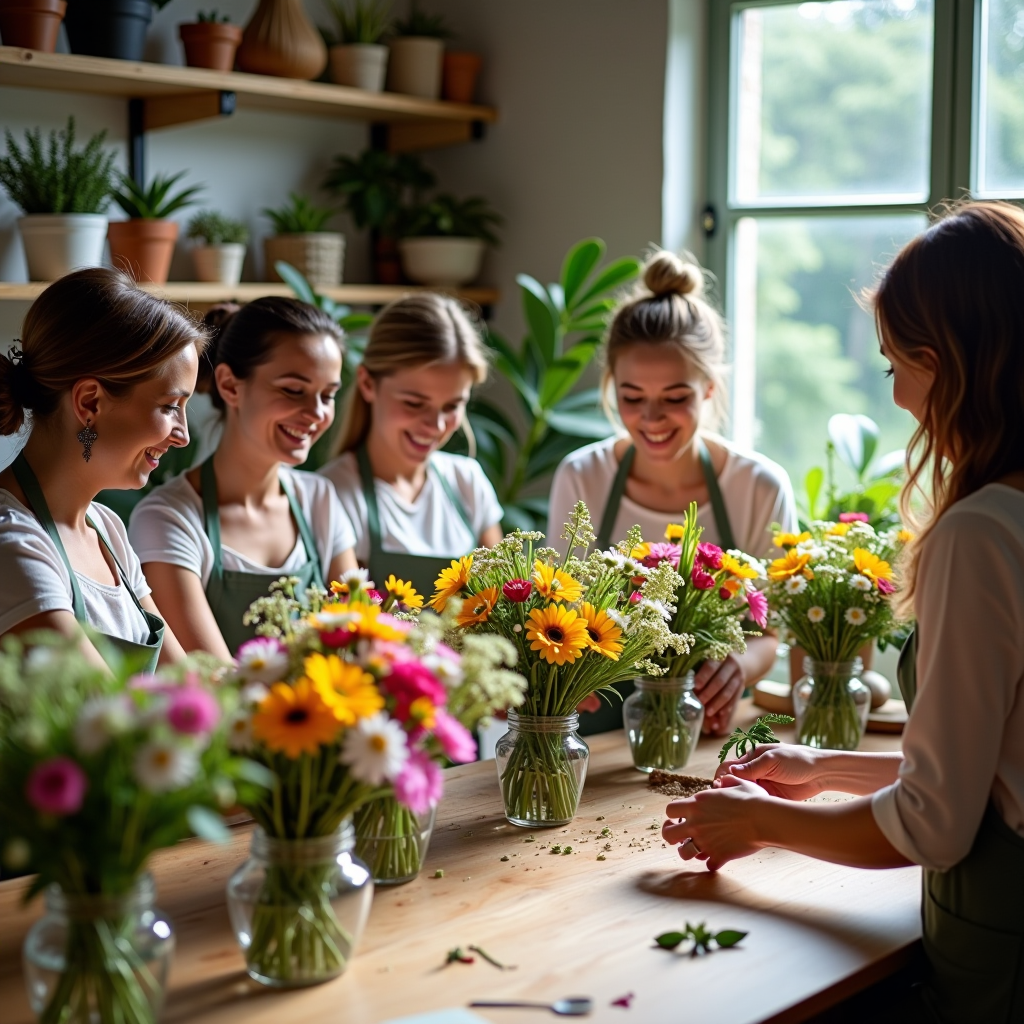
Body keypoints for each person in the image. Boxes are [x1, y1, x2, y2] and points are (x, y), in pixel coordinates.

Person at [663, 202, 1024, 1023]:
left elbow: (935, 826)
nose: (896, 395)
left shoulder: (982, 532)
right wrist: (821, 769)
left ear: (951, 365)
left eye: (899, 364)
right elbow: (993, 770)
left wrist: (757, 825)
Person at [547, 251, 797, 735]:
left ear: (708, 388)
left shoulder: (759, 485)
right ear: (610, 386)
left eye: (675, 398)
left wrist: (738, 669)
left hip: (707, 729)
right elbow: (560, 609)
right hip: (600, 732)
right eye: (632, 397)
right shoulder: (582, 476)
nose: (651, 419)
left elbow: (769, 634)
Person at [129, 298, 357, 661]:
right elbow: (214, 681)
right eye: (293, 390)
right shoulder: (168, 518)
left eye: (327, 395)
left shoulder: (320, 500)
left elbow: (361, 642)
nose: (316, 413)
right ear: (230, 385)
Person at [0, 268, 202, 671]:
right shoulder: (12, 545)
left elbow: (188, 687)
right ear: (90, 402)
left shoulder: (106, 529)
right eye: (169, 407)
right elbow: (111, 719)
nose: (183, 436)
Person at [319, 293, 503, 599]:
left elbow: (502, 605)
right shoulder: (333, 494)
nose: (436, 424)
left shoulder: (468, 481)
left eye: (453, 405)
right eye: (414, 403)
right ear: (367, 383)